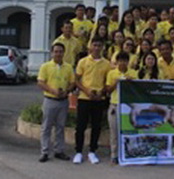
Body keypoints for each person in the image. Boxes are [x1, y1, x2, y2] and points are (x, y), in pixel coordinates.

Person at [73, 37, 111, 165]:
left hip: (99, 99)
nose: (96, 48)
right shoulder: (83, 62)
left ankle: (92, 151)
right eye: (94, 45)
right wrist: (86, 91)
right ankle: (78, 151)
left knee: (96, 126)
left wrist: (102, 92)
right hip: (84, 98)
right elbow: (76, 80)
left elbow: (108, 81)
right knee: (81, 126)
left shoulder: (107, 64)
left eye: (99, 45)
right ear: (90, 46)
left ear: (102, 47)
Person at [37, 43, 76, 163]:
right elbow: (40, 82)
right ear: (52, 53)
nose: (58, 54)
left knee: (60, 127)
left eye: (61, 52)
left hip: (63, 101)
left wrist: (67, 91)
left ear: (64, 53)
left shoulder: (68, 67)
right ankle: (44, 152)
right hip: (50, 100)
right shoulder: (46, 66)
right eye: (56, 51)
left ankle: (59, 150)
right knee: (46, 127)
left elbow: (72, 82)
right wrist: (52, 90)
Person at [105, 51, 138, 164]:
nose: (122, 63)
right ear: (117, 62)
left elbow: (137, 90)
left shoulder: (133, 73)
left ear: (128, 62)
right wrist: (116, 82)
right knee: (114, 131)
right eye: (120, 61)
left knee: (129, 131)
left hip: (128, 106)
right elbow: (108, 90)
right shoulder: (111, 74)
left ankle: (128, 153)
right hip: (115, 104)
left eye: (125, 61)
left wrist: (130, 82)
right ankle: (114, 154)